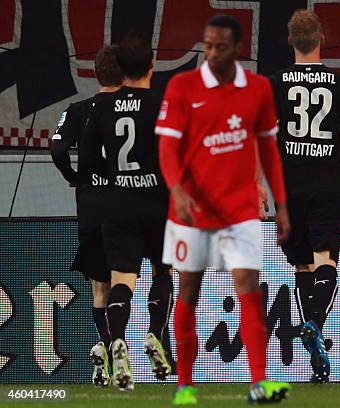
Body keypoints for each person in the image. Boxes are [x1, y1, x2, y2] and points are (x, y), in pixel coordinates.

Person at [156, 15, 291, 405]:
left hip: (240, 209)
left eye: (219, 46)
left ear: (237, 49)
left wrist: (280, 203)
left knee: (248, 288)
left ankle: (259, 384)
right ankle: (184, 386)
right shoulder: (183, 86)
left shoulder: (259, 89)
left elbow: (268, 149)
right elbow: (167, 148)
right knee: (189, 290)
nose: (211, 53)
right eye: (208, 45)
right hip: (191, 211)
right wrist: (178, 189)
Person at [268, 9, 340, 384]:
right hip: (327, 185)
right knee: (325, 259)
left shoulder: (274, 83)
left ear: (289, 41)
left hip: (289, 188)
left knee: (302, 265)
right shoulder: (339, 82)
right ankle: (314, 323)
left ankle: (315, 352)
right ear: (322, 40)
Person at [81, 33, 175, 391]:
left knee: (122, 280)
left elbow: (88, 160)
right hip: (157, 203)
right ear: (151, 66)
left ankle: (117, 339)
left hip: (117, 203)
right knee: (162, 271)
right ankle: (154, 335)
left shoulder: (102, 107)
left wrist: (117, 178)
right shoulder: (161, 105)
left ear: (121, 71)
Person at [51, 44, 122, 387]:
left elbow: (58, 146)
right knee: (133, 279)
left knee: (100, 287)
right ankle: (117, 347)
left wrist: (71, 176)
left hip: (91, 203)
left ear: (95, 73)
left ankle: (106, 347)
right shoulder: (135, 109)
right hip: (127, 201)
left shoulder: (78, 109)